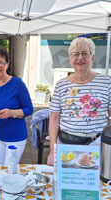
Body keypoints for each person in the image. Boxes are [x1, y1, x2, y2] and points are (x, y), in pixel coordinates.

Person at [47, 37, 111, 166]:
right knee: (66, 182)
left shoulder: (107, 82)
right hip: (65, 144)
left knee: (93, 183)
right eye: (75, 54)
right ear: (70, 59)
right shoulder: (61, 84)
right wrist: (53, 149)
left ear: (92, 58)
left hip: (96, 145)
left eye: (85, 54)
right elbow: (54, 118)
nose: (80, 58)